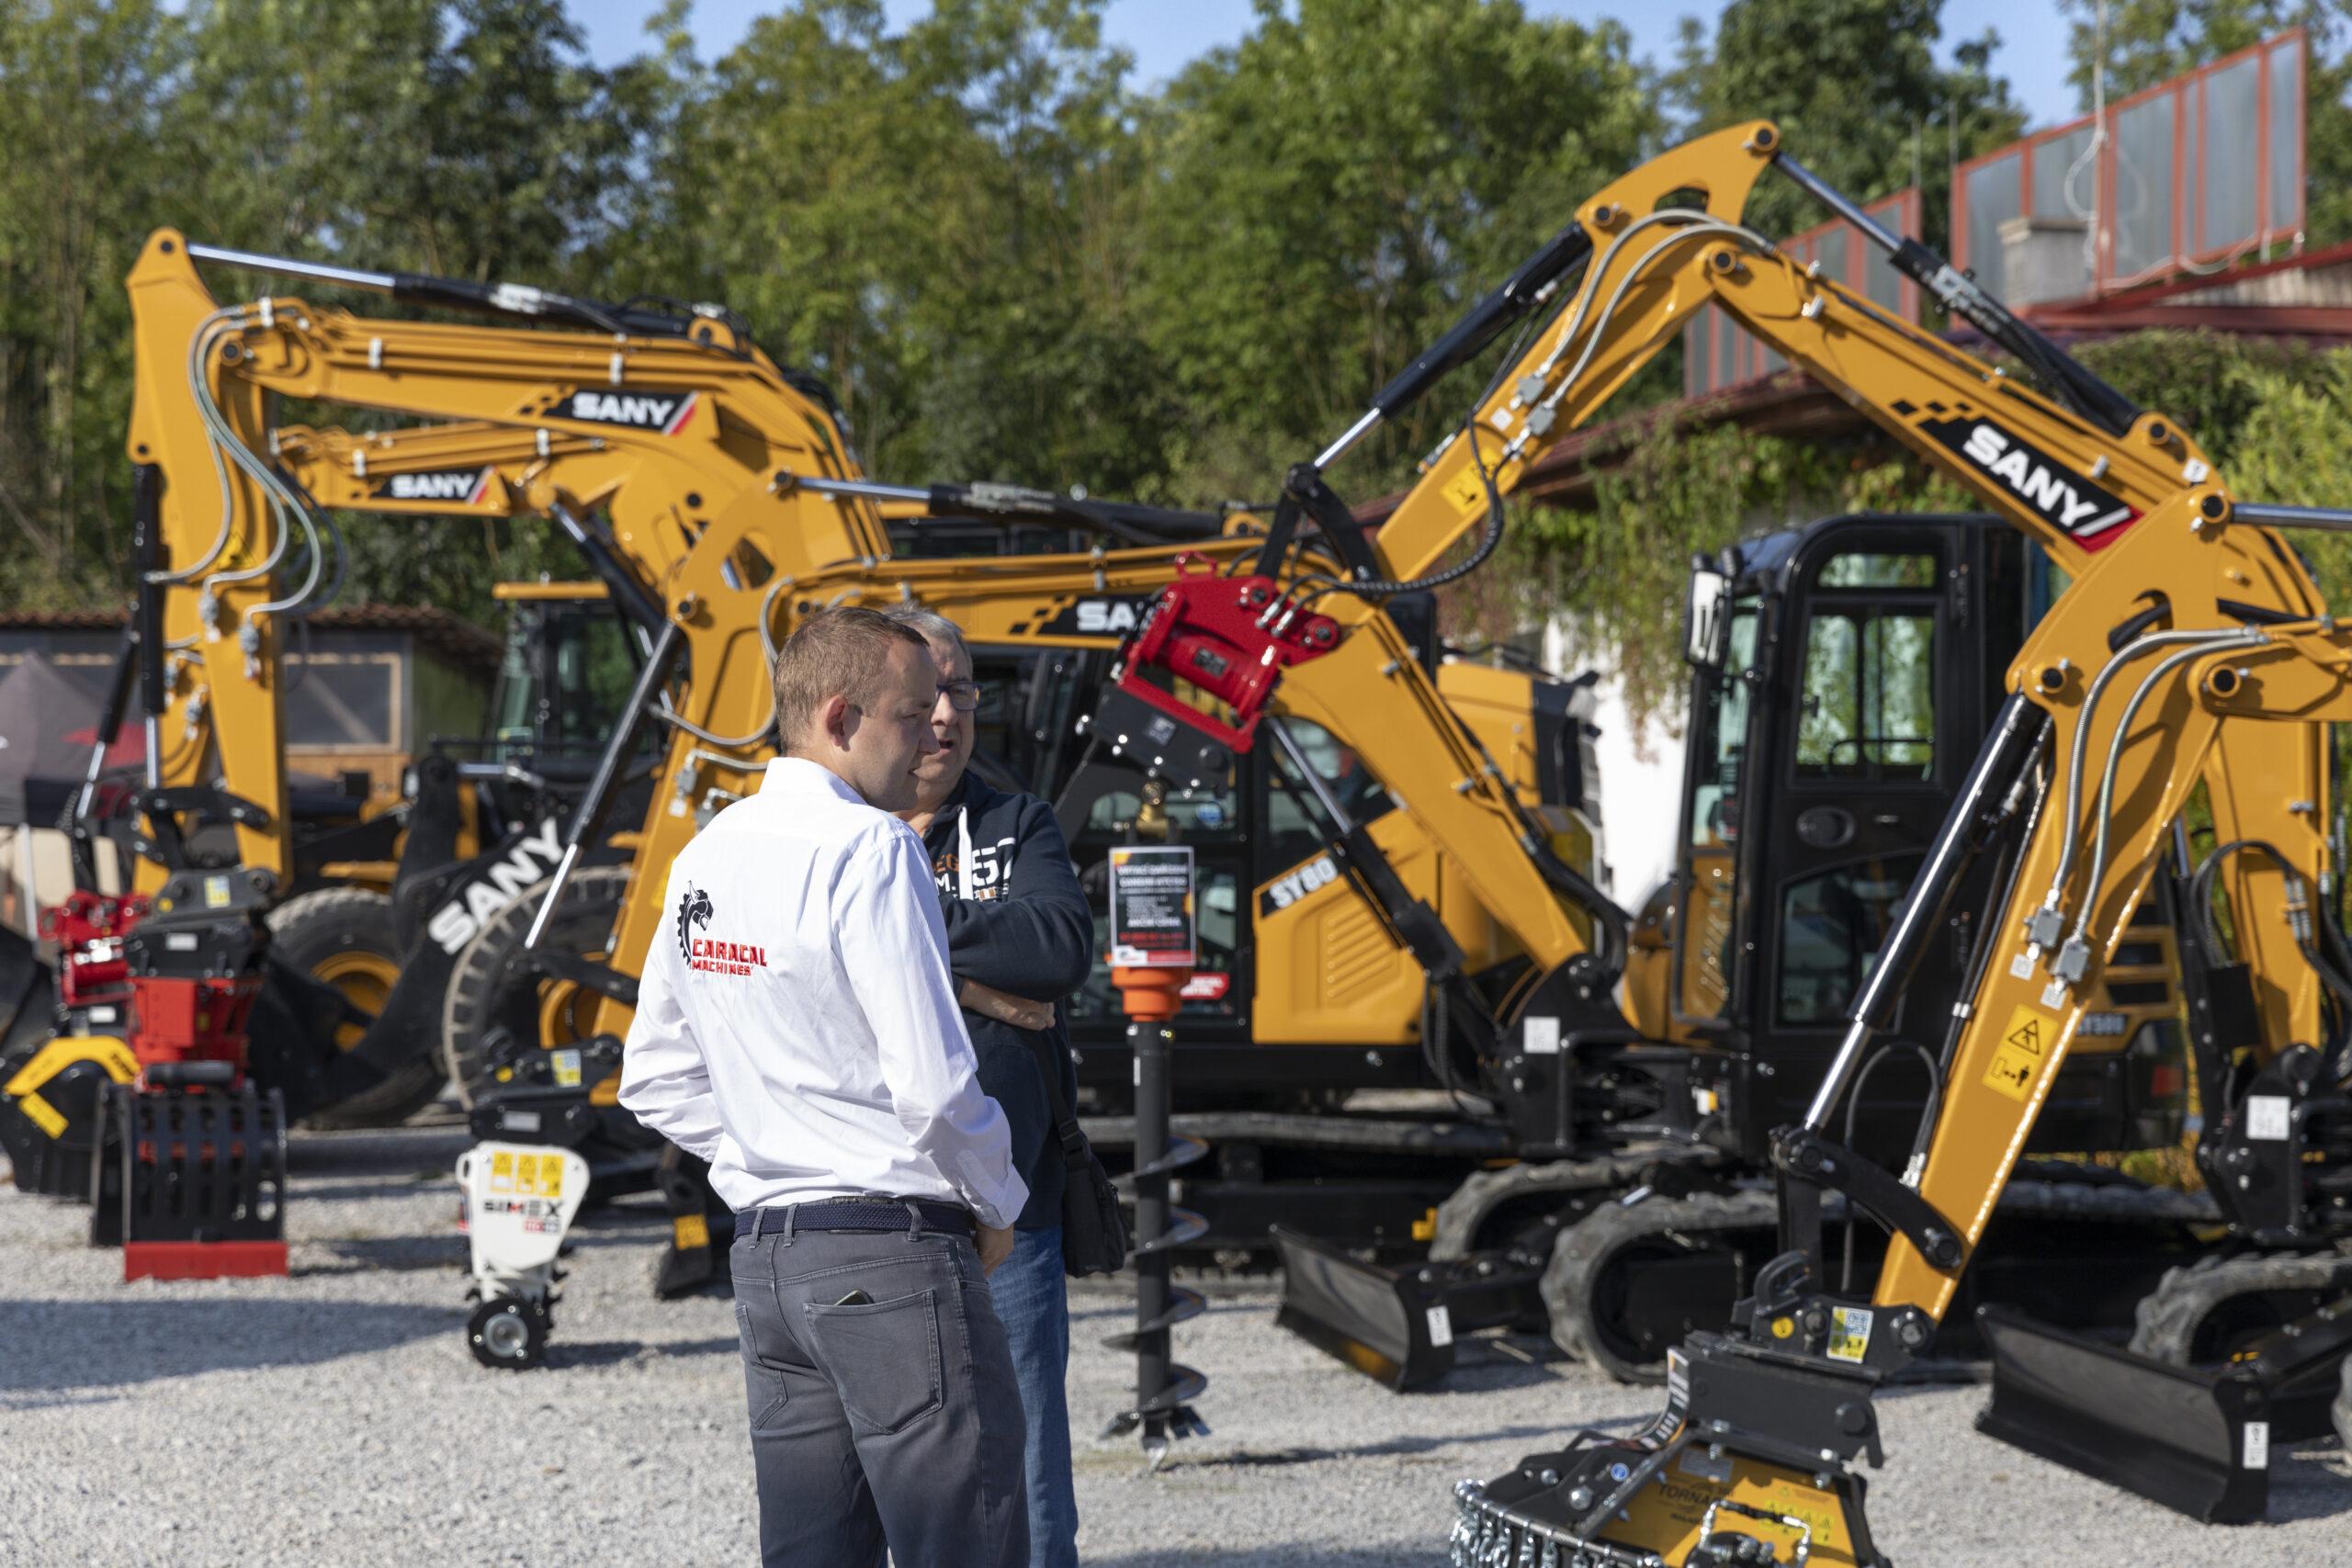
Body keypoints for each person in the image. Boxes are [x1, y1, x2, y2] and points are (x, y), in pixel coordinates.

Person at [618, 605, 1032, 1568]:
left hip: (771, 1259)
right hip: (891, 1254)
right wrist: (998, 1201)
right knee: (963, 1545)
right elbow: (933, 1087)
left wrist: (776, 1142)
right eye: (913, 712)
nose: (933, 732)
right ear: (841, 718)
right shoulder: (871, 847)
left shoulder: (709, 852)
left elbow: (653, 1077)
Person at [884, 605, 1093, 1568]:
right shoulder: (833, 833)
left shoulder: (1017, 819)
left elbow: (1057, 950)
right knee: (889, 1464)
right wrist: (975, 982)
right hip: (875, 1204)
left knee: (1028, 1468)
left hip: (1014, 1203)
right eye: (926, 694)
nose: (946, 715)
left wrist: (898, 931)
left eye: (961, 690)